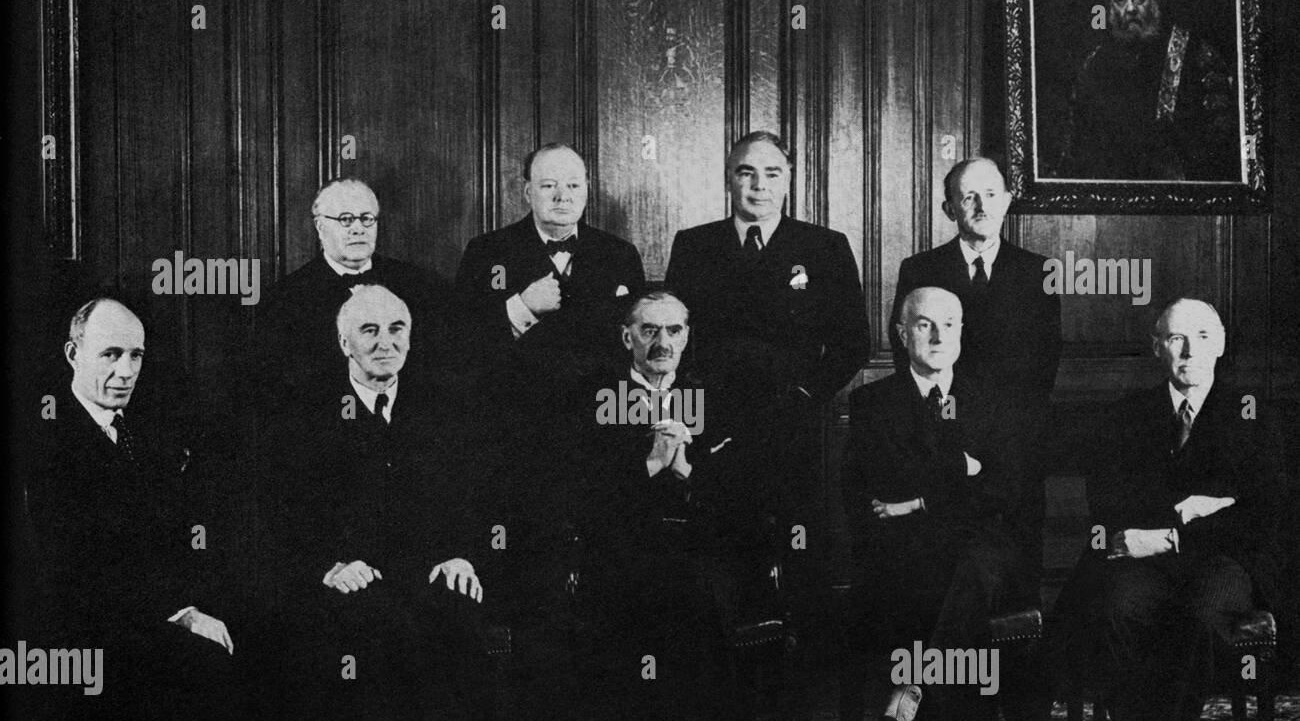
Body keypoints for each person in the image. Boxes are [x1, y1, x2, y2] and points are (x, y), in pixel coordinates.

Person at [259, 283, 491, 721]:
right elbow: (274, 518)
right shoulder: (305, 413)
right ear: (344, 343)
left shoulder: (440, 406)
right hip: (341, 585)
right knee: (405, 639)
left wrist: (461, 551)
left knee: (460, 625)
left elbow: (474, 496)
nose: (386, 343)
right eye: (369, 331)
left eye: (397, 329)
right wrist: (328, 565)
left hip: (424, 573)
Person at [23, 297, 235, 721]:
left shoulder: (134, 436)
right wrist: (179, 615)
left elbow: (163, 548)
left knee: (238, 634)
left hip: (127, 619)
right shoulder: (47, 441)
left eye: (136, 356)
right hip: (67, 638)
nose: (125, 371)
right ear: (73, 354)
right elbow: (72, 574)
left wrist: (193, 605)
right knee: (199, 664)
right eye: (110, 354)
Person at [1060, 299, 1286, 721]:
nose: (1189, 350)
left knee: (1200, 618)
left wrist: (1172, 530)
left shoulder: (1251, 412)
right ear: (1156, 346)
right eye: (1175, 338)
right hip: (1142, 561)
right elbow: (1109, 502)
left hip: (1222, 562)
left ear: (1221, 344)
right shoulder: (1126, 414)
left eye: (1202, 336)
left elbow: (1266, 513)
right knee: (1110, 611)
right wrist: (1202, 507)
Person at [578, 291, 777, 721]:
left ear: (688, 337)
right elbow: (582, 501)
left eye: (673, 331)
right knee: (667, 609)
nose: (661, 343)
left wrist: (688, 470)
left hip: (702, 552)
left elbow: (743, 496)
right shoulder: (599, 399)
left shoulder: (711, 400)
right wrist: (650, 464)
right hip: (624, 556)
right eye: (648, 331)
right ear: (627, 338)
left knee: (702, 596)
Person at [665, 130, 869, 663]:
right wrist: (693, 412)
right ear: (728, 179)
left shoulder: (824, 247)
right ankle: (730, 672)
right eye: (746, 173)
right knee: (725, 546)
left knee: (801, 544)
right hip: (717, 427)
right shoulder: (694, 245)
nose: (759, 185)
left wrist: (805, 393)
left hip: (796, 425)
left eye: (772, 173)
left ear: (789, 180)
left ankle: (802, 672)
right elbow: (677, 338)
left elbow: (853, 342)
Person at [844, 288, 1030, 721]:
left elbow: (1006, 491)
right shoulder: (873, 402)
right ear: (902, 334)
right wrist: (960, 472)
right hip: (907, 557)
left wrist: (918, 499)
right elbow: (868, 494)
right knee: (959, 617)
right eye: (923, 324)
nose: (938, 335)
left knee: (965, 577)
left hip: (986, 553)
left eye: (949, 324)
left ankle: (914, 683)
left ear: (962, 331)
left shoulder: (993, 399)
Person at [885, 157, 1061, 721]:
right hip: (938, 447)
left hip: (1011, 456)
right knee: (948, 572)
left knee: (1016, 582)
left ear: (1008, 200)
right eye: (968, 196)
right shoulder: (921, 269)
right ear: (948, 208)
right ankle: (953, 715)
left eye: (991, 194)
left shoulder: (1039, 272)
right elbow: (910, 361)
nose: (981, 206)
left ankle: (1024, 714)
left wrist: (992, 452)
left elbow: (1041, 373)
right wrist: (948, 456)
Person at [453, 144, 645, 583]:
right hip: (516, 432)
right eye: (549, 186)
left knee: (609, 562)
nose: (562, 196)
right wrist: (521, 307)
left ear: (587, 190)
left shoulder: (619, 254)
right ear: (527, 192)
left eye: (573, 185)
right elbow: (461, 345)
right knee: (529, 567)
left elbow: (632, 348)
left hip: (600, 430)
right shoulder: (487, 252)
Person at [254, 178, 452, 404]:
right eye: (345, 219)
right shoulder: (284, 299)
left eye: (367, 219)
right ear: (320, 226)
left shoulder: (418, 285)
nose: (358, 229)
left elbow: (435, 370)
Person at [1054, 0, 1238, 180]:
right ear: (1110, 8)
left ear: (1153, 0)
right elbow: (1078, 149)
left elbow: (1221, 142)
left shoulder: (1194, 54)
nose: (1131, 8)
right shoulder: (1095, 66)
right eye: (1120, 0)